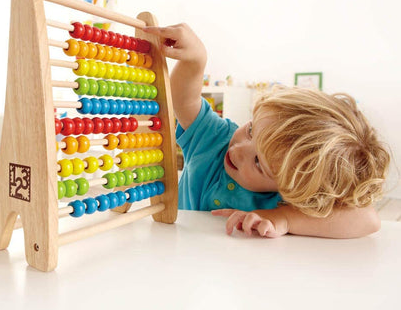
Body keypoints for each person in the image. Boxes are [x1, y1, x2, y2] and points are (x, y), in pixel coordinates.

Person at [143, 23, 390, 239]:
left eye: (259, 162)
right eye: (251, 130)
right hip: (177, 250)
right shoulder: (215, 139)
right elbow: (184, 102)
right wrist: (196, 62)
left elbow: (368, 220)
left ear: (290, 188)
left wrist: (284, 218)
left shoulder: (288, 198)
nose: (238, 150)